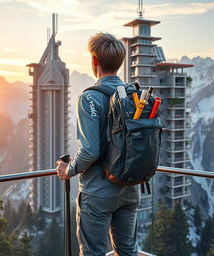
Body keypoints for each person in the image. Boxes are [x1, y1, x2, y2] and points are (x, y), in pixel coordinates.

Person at [56, 32, 140, 256]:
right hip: (131, 189)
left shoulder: (89, 98)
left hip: (98, 193)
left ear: (94, 60)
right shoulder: (133, 94)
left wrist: (68, 170)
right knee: (127, 251)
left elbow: (91, 149)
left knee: (93, 252)